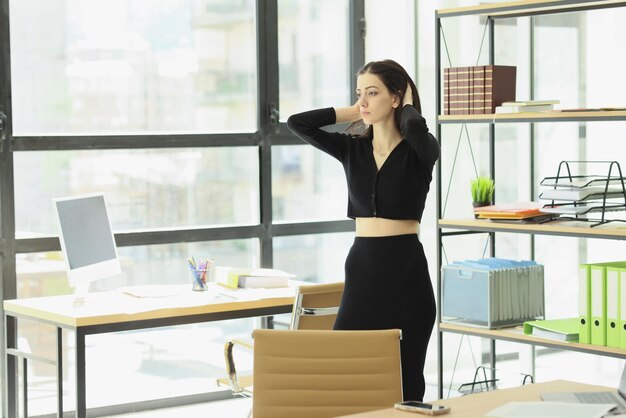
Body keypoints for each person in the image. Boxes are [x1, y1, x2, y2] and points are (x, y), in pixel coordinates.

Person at [286, 59, 439, 401]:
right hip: (363, 268)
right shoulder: (351, 148)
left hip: (406, 273)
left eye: (373, 93)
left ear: (397, 98)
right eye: (360, 93)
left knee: (406, 381)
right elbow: (298, 124)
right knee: (343, 371)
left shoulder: (420, 150)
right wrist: (351, 111)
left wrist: (410, 106)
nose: (364, 102)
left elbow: (414, 128)